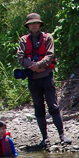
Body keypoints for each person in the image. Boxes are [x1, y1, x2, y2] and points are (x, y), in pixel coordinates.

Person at [19, 13, 70, 146]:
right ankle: (45, 138)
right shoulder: (24, 40)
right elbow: (20, 57)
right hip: (33, 78)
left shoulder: (48, 38)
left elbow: (49, 55)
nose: (34, 25)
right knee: (38, 108)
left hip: (46, 76)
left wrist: (39, 65)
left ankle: (62, 135)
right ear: (28, 26)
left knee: (53, 106)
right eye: (31, 23)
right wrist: (32, 66)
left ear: (40, 24)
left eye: (36, 23)